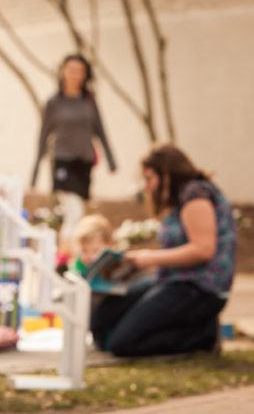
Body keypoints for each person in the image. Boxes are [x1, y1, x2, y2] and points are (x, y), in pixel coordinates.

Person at [91, 145, 236, 357]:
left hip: (200, 289)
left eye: (149, 178)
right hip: (172, 280)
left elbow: (204, 249)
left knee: (122, 344)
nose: (147, 187)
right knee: (101, 320)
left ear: (166, 174)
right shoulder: (181, 200)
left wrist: (149, 258)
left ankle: (203, 335)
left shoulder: (195, 194)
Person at [31, 54, 117, 253]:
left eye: (79, 71)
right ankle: (65, 255)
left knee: (77, 212)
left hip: (84, 161)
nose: (75, 75)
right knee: (74, 210)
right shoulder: (54, 102)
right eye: (71, 70)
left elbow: (99, 129)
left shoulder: (88, 100)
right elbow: (43, 136)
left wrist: (111, 160)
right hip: (62, 161)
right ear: (63, 71)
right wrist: (35, 173)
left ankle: (67, 255)